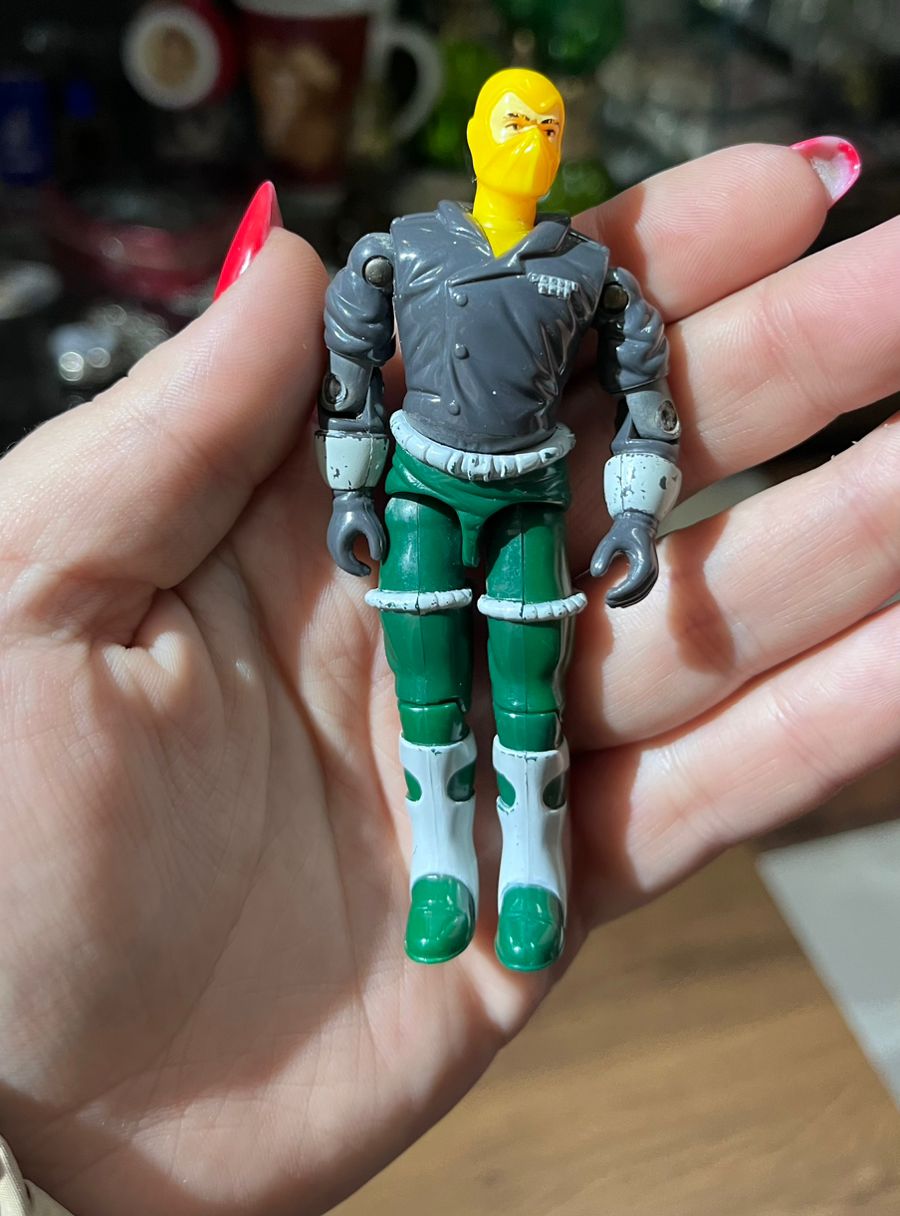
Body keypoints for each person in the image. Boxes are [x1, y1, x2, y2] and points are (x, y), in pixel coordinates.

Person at [0, 138, 897, 1216]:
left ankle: (532, 875)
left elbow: (645, 389)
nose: (529, 139)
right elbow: (347, 367)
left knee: (530, 693)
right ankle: (442, 873)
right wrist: (351, 488)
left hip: (530, 499)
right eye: (511, 122)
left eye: (546, 126)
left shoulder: (591, 274)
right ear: (476, 139)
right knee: (425, 687)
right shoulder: (402, 252)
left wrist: (636, 509)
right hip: (421, 490)